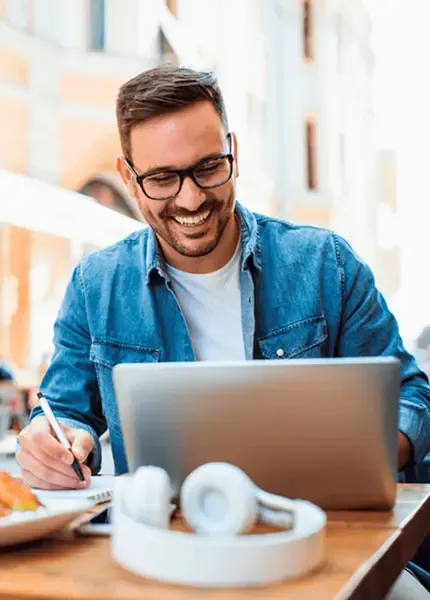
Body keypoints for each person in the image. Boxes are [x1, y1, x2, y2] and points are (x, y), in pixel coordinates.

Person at [16, 64, 430, 598]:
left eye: (209, 167)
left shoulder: (326, 263)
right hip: (169, 552)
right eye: (162, 178)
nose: (190, 200)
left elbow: (412, 398)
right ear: (127, 176)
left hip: (329, 539)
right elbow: (62, 412)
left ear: (233, 151)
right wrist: (56, 443)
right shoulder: (95, 285)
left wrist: (365, 450)